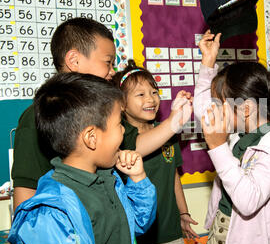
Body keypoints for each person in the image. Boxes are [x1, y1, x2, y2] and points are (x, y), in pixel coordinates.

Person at [12, 17, 191, 210]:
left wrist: (174, 122)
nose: (113, 71)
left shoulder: (105, 109)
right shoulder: (37, 117)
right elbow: (26, 194)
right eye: (108, 62)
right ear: (74, 60)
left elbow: (135, 145)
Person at [8, 73, 157, 244]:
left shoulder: (109, 178)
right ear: (91, 138)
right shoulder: (54, 211)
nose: (123, 131)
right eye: (119, 124)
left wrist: (138, 179)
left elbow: (138, 223)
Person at [193, 31, 270, 244]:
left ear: (245, 109)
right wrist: (208, 62)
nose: (214, 111)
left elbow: (248, 201)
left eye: (220, 105)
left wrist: (218, 146)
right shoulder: (238, 132)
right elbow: (204, 111)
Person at [112, 60, 198, 244]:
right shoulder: (118, 135)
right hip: (133, 237)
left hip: (168, 234)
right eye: (140, 94)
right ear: (122, 104)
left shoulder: (166, 133)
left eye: (153, 92)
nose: (150, 99)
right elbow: (138, 147)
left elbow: (173, 177)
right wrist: (174, 122)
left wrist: (183, 213)